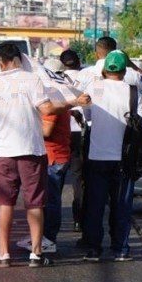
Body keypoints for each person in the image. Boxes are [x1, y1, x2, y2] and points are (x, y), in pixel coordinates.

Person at [0, 42, 71, 268]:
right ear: (20, 60)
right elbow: (47, 110)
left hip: (4, 152)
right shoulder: (33, 81)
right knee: (34, 204)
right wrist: (69, 103)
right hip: (31, 150)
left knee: (5, 203)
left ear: (0, 62)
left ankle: (3, 254)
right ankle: (36, 254)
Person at [79, 51, 142, 262]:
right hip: (124, 159)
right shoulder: (132, 92)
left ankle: (93, 249)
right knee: (122, 205)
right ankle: (120, 248)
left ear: (104, 70)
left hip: (97, 156)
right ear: (125, 71)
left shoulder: (94, 87)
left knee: (95, 205)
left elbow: (87, 116)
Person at [58, 50, 87, 235]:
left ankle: (54, 221)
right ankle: (79, 220)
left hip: (60, 133)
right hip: (80, 133)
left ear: (63, 64)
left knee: (56, 179)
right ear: (79, 62)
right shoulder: (87, 78)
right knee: (79, 180)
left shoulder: (57, 80)